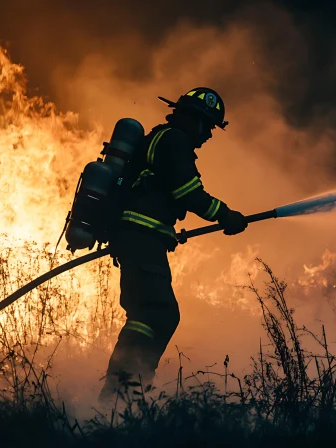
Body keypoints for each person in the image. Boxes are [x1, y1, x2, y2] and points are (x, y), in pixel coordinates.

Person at [98, 87, 248, 404]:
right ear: (192, 119)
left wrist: (168, 230)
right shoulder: (174, 140)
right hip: (141, 238)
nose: (208, 134)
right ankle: (122, 392)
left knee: (152, 313)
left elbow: (161, 191)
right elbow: (189, 193)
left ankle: (124, 390)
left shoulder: (161, 139)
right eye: (207, 125)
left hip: (141, 238)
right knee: (157, 312)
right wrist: (226, 215)